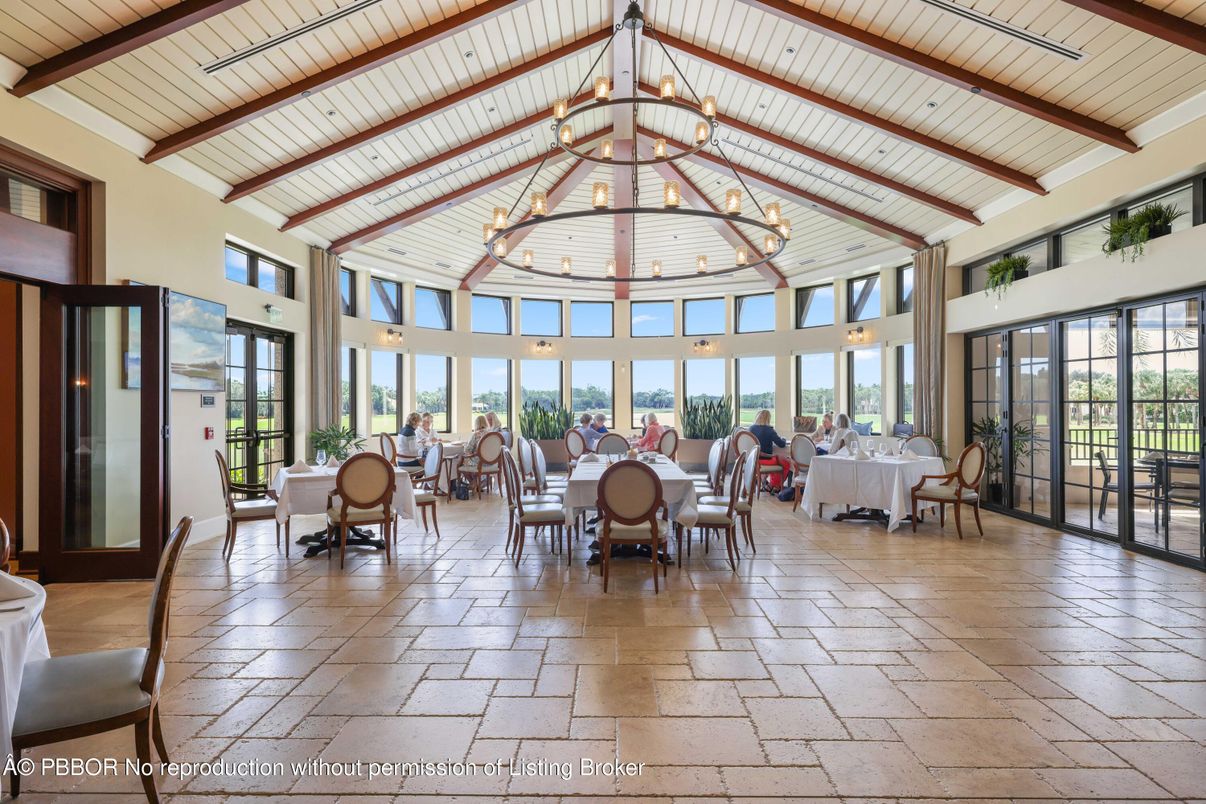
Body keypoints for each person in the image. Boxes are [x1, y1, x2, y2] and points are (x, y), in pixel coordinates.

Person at [749, 409, 791, 492]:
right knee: (785, 463)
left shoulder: (751, 429)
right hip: (764, 460)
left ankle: (770, 484)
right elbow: (781, 444)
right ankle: (774, 485)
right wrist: (784, 439)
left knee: (777, 460)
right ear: (768, 419)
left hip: (752, 459)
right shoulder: (769, 430)